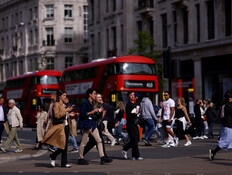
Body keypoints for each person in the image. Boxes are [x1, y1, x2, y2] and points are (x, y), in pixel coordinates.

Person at [77, 88, 112, 165]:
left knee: (99, 140)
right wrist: (93, 111)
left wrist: (98, 111)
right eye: (94, 93)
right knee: (84, 142)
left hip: (92, 124)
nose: (95, 95)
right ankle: (80, 158)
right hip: (86, 124)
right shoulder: (85, 103)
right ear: (90, 94)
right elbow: (82, 114)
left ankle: (102, 157)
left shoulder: (92, 103)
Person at [42, 90, 73, 168]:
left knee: (65, 145)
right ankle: (53, 155)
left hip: (65, 125)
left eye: (65, 95)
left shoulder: (64, 104)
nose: (65, 97)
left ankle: (64, 162)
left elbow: (64, 114)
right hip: (60, 126)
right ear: (60, 97)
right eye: (64, 95)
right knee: (62, 144)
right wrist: (66, 110)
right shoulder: (56, 104)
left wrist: (69, 113)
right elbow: (57, 115)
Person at [209, 89, 232, 160]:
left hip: (229, 125)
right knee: (226, 141)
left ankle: (214, 151)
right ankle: (213, 151)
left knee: (228, 142)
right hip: (228, 125)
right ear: (229, 98)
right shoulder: (228, 106)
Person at [121, 91, 143, 160]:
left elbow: (138, 113)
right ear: (128, 97)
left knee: (137, 139)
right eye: (131, 95)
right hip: (130, 124)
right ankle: (137, 156)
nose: (133, 96)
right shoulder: (128, 104)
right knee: (134, 139)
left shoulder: (136, 103)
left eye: (133, 95)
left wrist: (138, 114)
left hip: (135, 123)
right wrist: (134, 113)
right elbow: (128, 114)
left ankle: (126, 149)